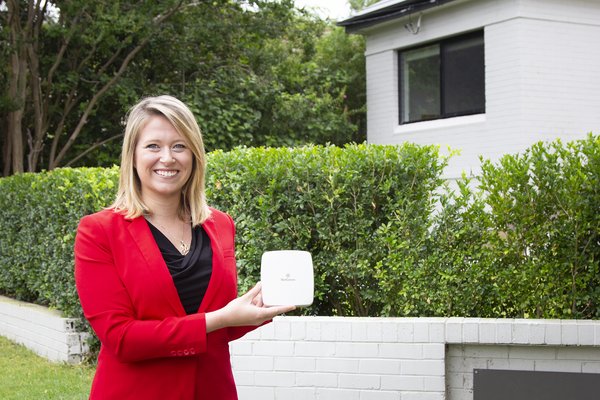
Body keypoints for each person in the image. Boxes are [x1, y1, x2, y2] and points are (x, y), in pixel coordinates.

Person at [74, 95, 294, 399]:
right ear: (132, 155)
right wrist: (220, 319)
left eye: (179, 146)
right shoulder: (99, 231)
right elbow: (121, 339)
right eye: (153, 146)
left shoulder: (221, 224)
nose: (167, 157)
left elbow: (215, 328)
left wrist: (256, 309)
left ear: (194, 154)